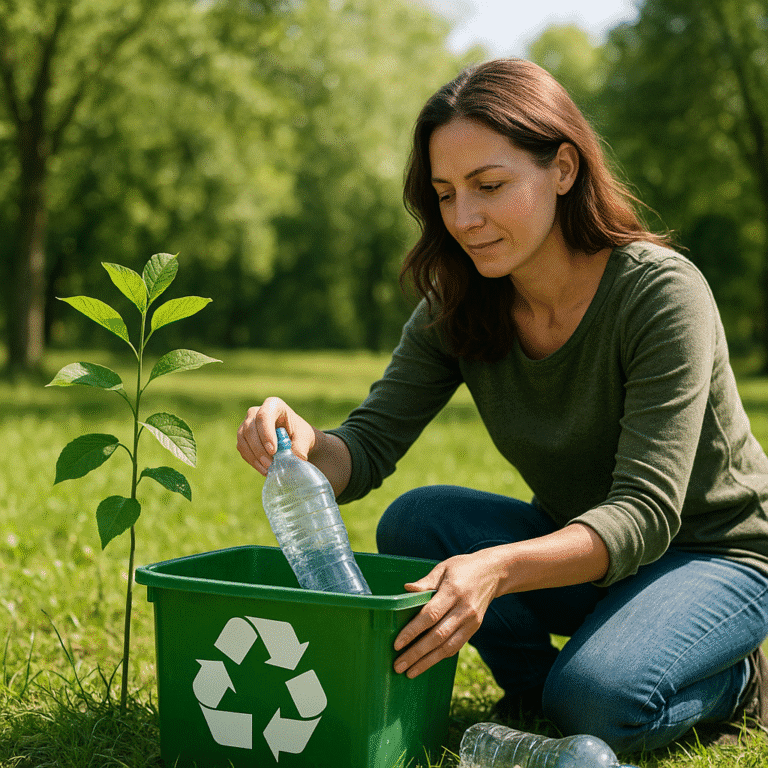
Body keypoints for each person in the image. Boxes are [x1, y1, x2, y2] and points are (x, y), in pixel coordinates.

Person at [237, 58, 768, 753]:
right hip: (588, 550)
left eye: (490, 186)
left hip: (716, 556)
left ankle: (736, 681)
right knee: (420, 523)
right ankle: (545, 686)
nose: (464, 218)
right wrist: (306, 448)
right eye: (446, 193)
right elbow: (363, 450)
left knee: (597, 702)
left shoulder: (660, 293)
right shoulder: (458, 303)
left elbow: (645, 514)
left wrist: (498, 568)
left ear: (564, 170)